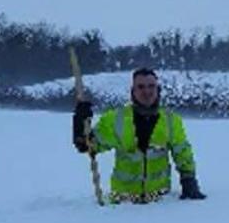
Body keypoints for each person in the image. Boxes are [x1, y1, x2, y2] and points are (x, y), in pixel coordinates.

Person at [73, 68, 206, 203]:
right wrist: (79, 122)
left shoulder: (171, 121)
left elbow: (183, 154)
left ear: (158, 89)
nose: (147, 91)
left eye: (151, 86)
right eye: (141, 87)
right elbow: (87, 146)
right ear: (133, 91)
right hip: (123, 203)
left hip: (160, 202)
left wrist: (189, 180)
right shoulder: (115, 119)